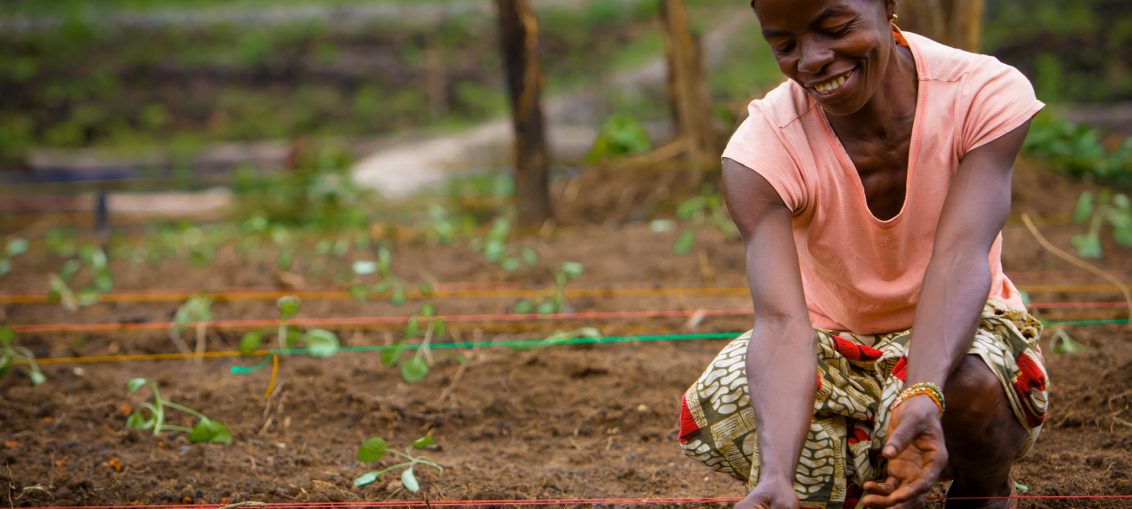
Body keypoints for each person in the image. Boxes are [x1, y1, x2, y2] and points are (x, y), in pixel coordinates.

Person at [676, 1, 1049, 508]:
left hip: (960, 329)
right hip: (836, 349)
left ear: (889, 5)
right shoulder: (761, 152)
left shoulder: (979, 94)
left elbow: (961, 255)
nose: (811, 60)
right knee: (740, 383)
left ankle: (982, 493)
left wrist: (923, 391)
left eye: (834, 29)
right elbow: (783, 322)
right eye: (784, 45)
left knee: (971, 383)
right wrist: (777, 475)